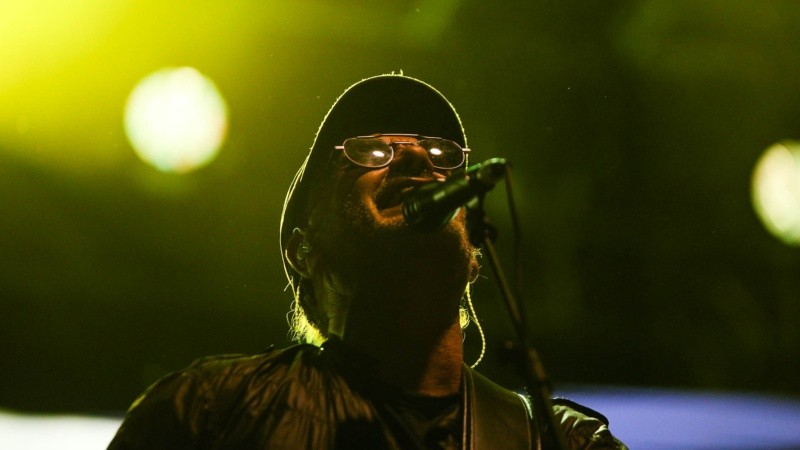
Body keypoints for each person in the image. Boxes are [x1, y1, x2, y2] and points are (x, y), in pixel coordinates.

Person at [108, 74, 627, 449]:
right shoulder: (211, 415)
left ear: (472, 254)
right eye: (369, 151)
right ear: (304, 250)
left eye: (442, 154)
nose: (417, 157)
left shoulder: (562, 443)